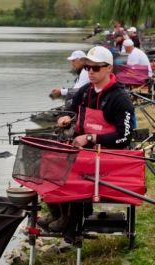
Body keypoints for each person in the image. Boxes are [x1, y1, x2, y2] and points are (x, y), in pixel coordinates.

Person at [39, 46, 135, 240]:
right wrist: (65, 117)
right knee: (46, 159)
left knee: (69, 169)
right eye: (87, 68)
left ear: (109, 68)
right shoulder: (85, 91)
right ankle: (58, 214)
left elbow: (124, 137)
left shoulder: (120, 99)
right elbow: (70, 108)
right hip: (84, 152)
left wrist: (91, 138)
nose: (90, 71)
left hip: (108, 157)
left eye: (96, 68)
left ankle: (69, 222)